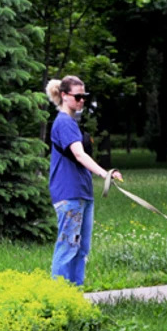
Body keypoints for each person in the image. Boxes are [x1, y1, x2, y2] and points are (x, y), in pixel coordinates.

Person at [46, 75, 123, 286]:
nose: (81, 101)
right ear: (64, 95)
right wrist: (104, 173)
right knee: (68, 246)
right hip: (69, 193)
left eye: (84, 97)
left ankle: (75, 295)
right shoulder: (63, 122)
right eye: (77, 96)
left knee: (81, 249)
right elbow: (79, 154)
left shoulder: (71, 123)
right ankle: (60, 296)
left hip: (83, 193)